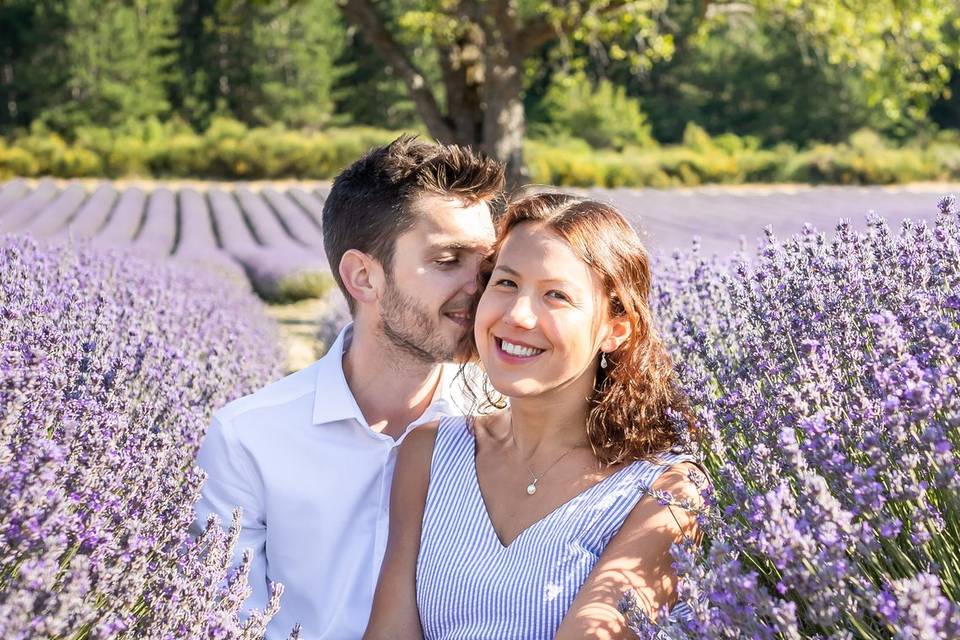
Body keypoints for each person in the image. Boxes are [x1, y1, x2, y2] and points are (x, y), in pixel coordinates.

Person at [191, 136, 505, 639]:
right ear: (363, 277)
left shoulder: (505, 420)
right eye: (449, 260)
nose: (482, 286)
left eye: (488, 266)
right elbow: (226, 621)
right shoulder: (249, 437)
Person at [364, 192, 707, 640]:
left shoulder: (665, 493)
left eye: (556, 296)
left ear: (615, 329)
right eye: (505, 283)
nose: (518, 315)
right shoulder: (429, 453)